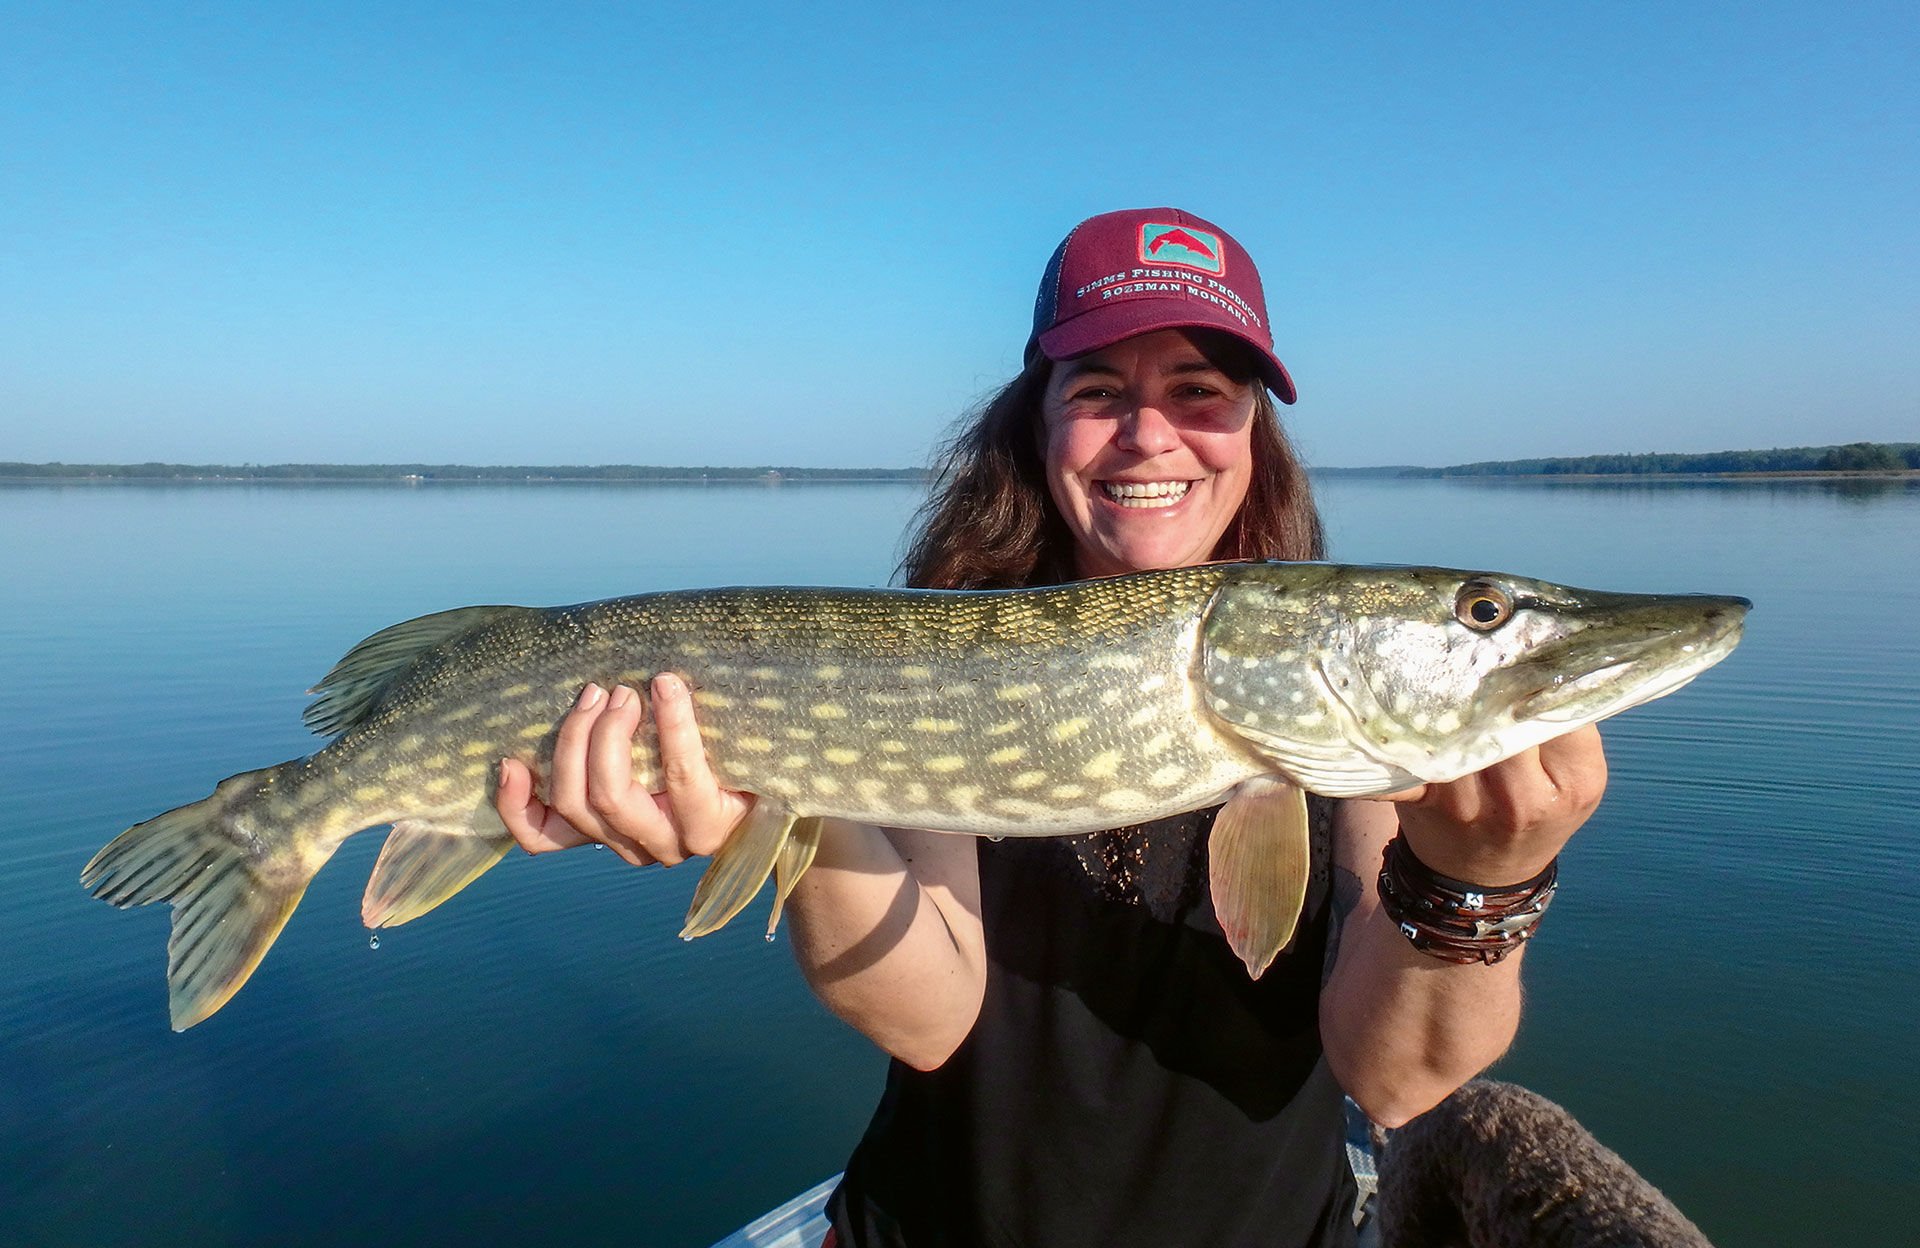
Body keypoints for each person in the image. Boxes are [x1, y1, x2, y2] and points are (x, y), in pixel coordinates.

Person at [494, 208, 1607, 1247]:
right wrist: (784, 790)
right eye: (1098, 390)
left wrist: (1478, 883)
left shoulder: (1334, 690)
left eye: (1201, 389)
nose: (1149, 436)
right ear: (1039, 422)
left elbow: (1397, 1077)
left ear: (1253, 432)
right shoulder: (937, 651)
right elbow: (928, 1020)